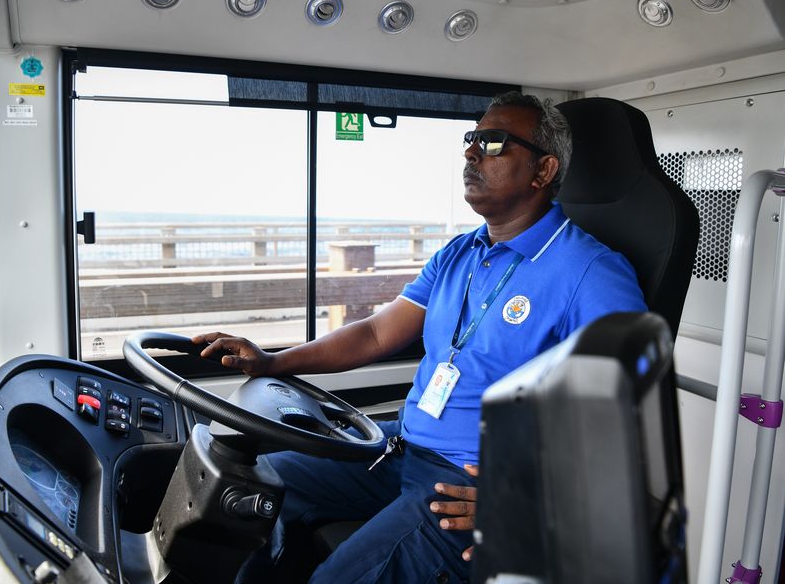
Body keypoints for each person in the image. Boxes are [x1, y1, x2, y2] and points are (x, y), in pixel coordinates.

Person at [192, 91, 647, 583]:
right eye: (472, 139)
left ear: (543, 170)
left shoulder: (592, 272)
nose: (471, 153)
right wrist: (272, 362)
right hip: (401, 447)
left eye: (494, 143)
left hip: (469, 483)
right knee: (256, 485)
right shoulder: (459, 254)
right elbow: (374, 333)